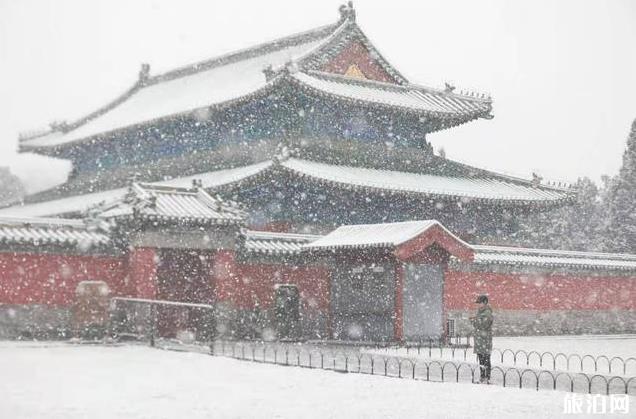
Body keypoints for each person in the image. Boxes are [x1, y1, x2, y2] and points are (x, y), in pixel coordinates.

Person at [469, 294, 493, 383]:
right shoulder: (480, 312)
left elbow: (484, 325)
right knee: (481, 359)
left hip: (485, 340)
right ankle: (482, 377)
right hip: (480, 340)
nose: (478, 305)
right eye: (478, 303)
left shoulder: (487, 313)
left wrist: (473, 321)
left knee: (486, 359)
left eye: (480, 303)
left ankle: (487, 377)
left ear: (485, 303)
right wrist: (475, 319)